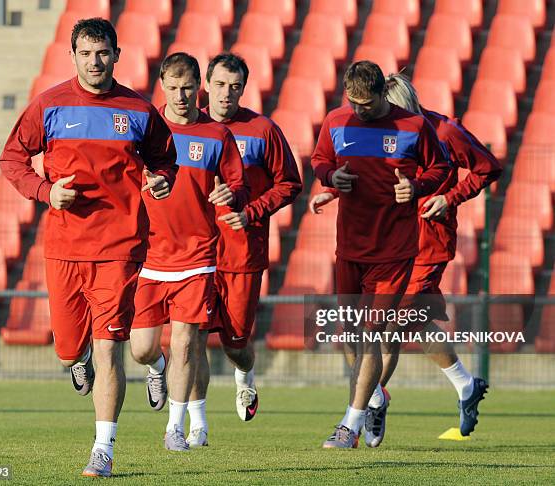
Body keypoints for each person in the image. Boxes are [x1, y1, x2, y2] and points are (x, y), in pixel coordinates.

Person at [0, 18, 178, 477]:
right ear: (73, 56)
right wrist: (44, 191)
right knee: (69, 349)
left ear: (116, 55)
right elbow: (13, 158)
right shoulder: (50, 105)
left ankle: (104, 447)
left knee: (109, 349)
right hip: (63, 248)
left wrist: (160, 181)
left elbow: (165, 160)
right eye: (86, 53)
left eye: (103, 53)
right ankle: (75, 360)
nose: (94, 61)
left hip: (120, 247)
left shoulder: (138, 110)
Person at [310, 73, 501, 446]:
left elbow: (487, 167)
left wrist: (450, 197)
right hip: (386, 236)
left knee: (391, 324)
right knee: (395, 326)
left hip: (426, 239)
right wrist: (333, 190)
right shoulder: (376, 130)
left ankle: (364, 408)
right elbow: (372, 176)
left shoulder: (440, 131)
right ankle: (448, 387)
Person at [175, 53, 302, 442]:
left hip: (242, 253)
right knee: (193, 337)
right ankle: (198, 424)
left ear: (243, 89)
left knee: (234, 344)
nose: (226, 93)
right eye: (219, 84)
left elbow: (290, 183)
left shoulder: (262, 130)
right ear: (205, 85)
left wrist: (251, 211)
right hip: (195, 252)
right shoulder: (184, 126)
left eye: (235, 86)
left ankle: (245, 374)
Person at [129, 52, 249, 451]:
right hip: (149, 255)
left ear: (199, 86)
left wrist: (232, 194)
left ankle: (176, 427)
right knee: (143, 349)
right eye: (174, 88)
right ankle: (157, 370)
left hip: (198, 256)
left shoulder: (217, 135)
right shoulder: (145, 128)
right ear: (162, 84)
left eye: (188, 88)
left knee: (187, 342)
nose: (181, 96)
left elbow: (239, 185)